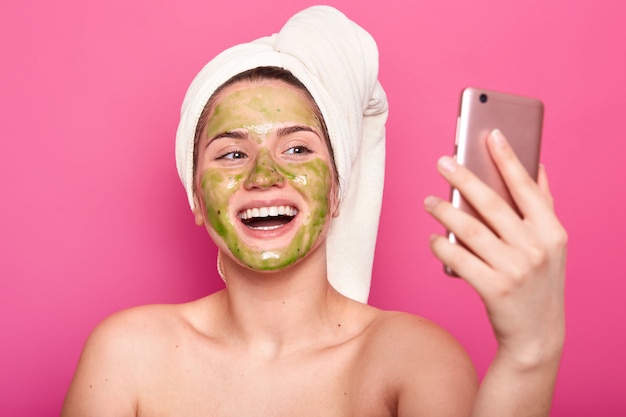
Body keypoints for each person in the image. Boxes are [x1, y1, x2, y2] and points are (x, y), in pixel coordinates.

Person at [61, 6, 567, 417]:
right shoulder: (126, 353)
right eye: (232, 154)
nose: (265, 176)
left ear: (340, 190)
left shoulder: (415, 359)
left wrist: (530, 352)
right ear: (197, 197)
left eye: (298, 149)